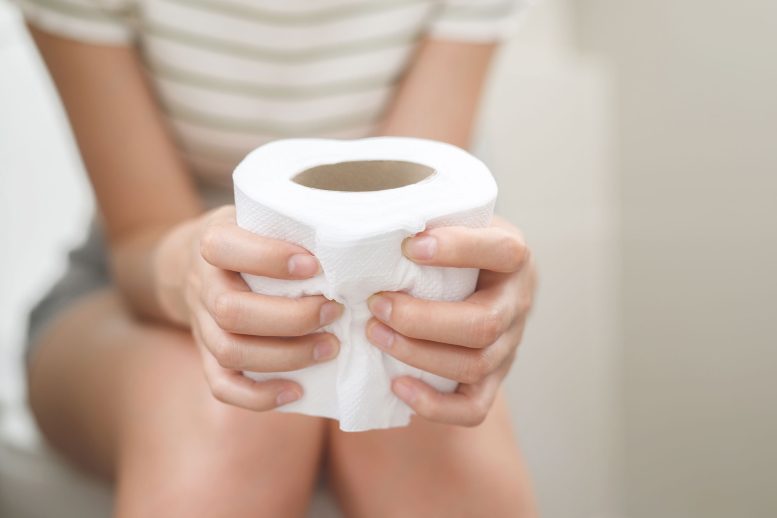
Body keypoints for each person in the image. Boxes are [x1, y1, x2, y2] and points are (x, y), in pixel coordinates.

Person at [15, 0, 538, 516]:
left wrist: (488, 275)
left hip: (378, 311)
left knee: (421, 416)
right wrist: (196, 272)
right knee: (234, 422)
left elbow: (416, 210)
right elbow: (138, 240)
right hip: (132, 300)